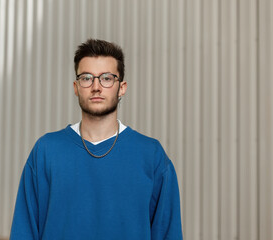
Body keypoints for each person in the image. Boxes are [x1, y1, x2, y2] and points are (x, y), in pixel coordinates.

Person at [10, 39, 183, 239]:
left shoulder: (151, 156)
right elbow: (24, 231)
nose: (96, 87)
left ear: (122, 87)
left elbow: (168, 233)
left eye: (107, 78)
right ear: (76, 87)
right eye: (86, 78)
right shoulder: (46, 151)